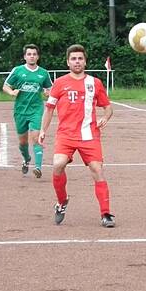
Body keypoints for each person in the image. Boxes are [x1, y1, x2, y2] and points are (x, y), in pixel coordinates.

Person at [38, 44, 115, 228]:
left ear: (85, 61)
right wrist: (42, 130)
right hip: (66, 135)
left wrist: (105, 117)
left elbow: (108, 107)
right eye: (73, 59)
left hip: (89, 135)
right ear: (68, 62)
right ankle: (62, 201)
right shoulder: (59, 83)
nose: (77, 61)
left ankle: (106, 214)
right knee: (57, 165)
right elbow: (49, 110)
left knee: (97, 170)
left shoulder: (95, 83)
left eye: (80, 58)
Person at [3, 44, 53, 178]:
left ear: (38, 56)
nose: (32, 56)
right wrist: (12, 92)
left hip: (36, 110)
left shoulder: (43, 73)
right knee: (23, 142)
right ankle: (26, 159)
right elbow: (6, 86)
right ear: (25, 56)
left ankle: (38, 167)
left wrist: (48, 93)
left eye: (34, 54)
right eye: (29, 54)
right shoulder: (18, 70)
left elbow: (49, 89)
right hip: (20, 111)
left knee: (36, 138)